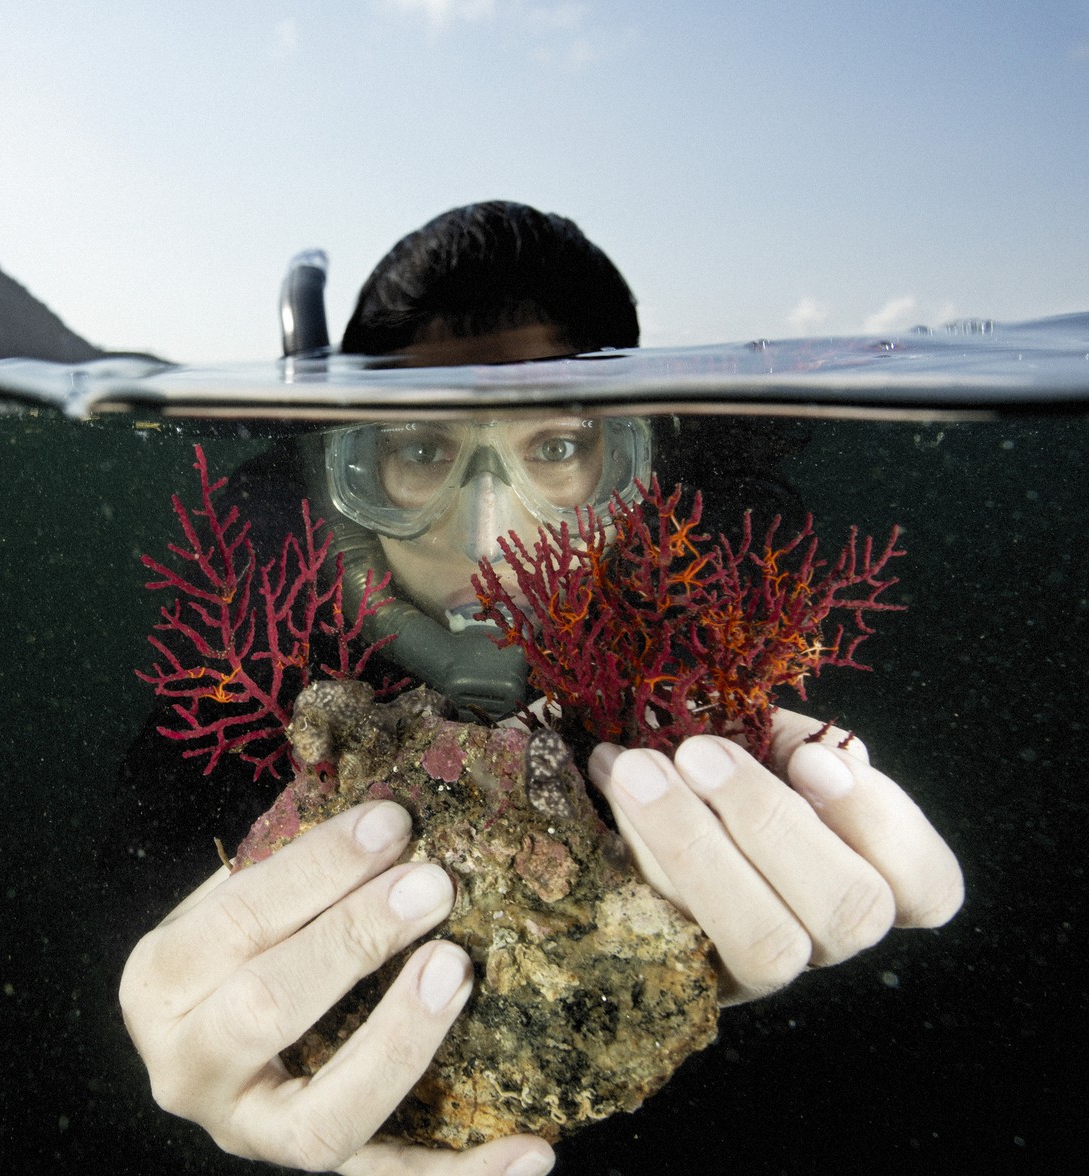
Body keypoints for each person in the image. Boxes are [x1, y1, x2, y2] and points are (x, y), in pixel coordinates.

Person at [115, 202, 964, 1176]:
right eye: (421, 451)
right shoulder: (245, 690)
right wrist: (178, 1036)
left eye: (556, 449)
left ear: (632, 463)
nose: (488, 543)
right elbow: (143, 900)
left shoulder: (728, 649)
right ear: (346, 472)